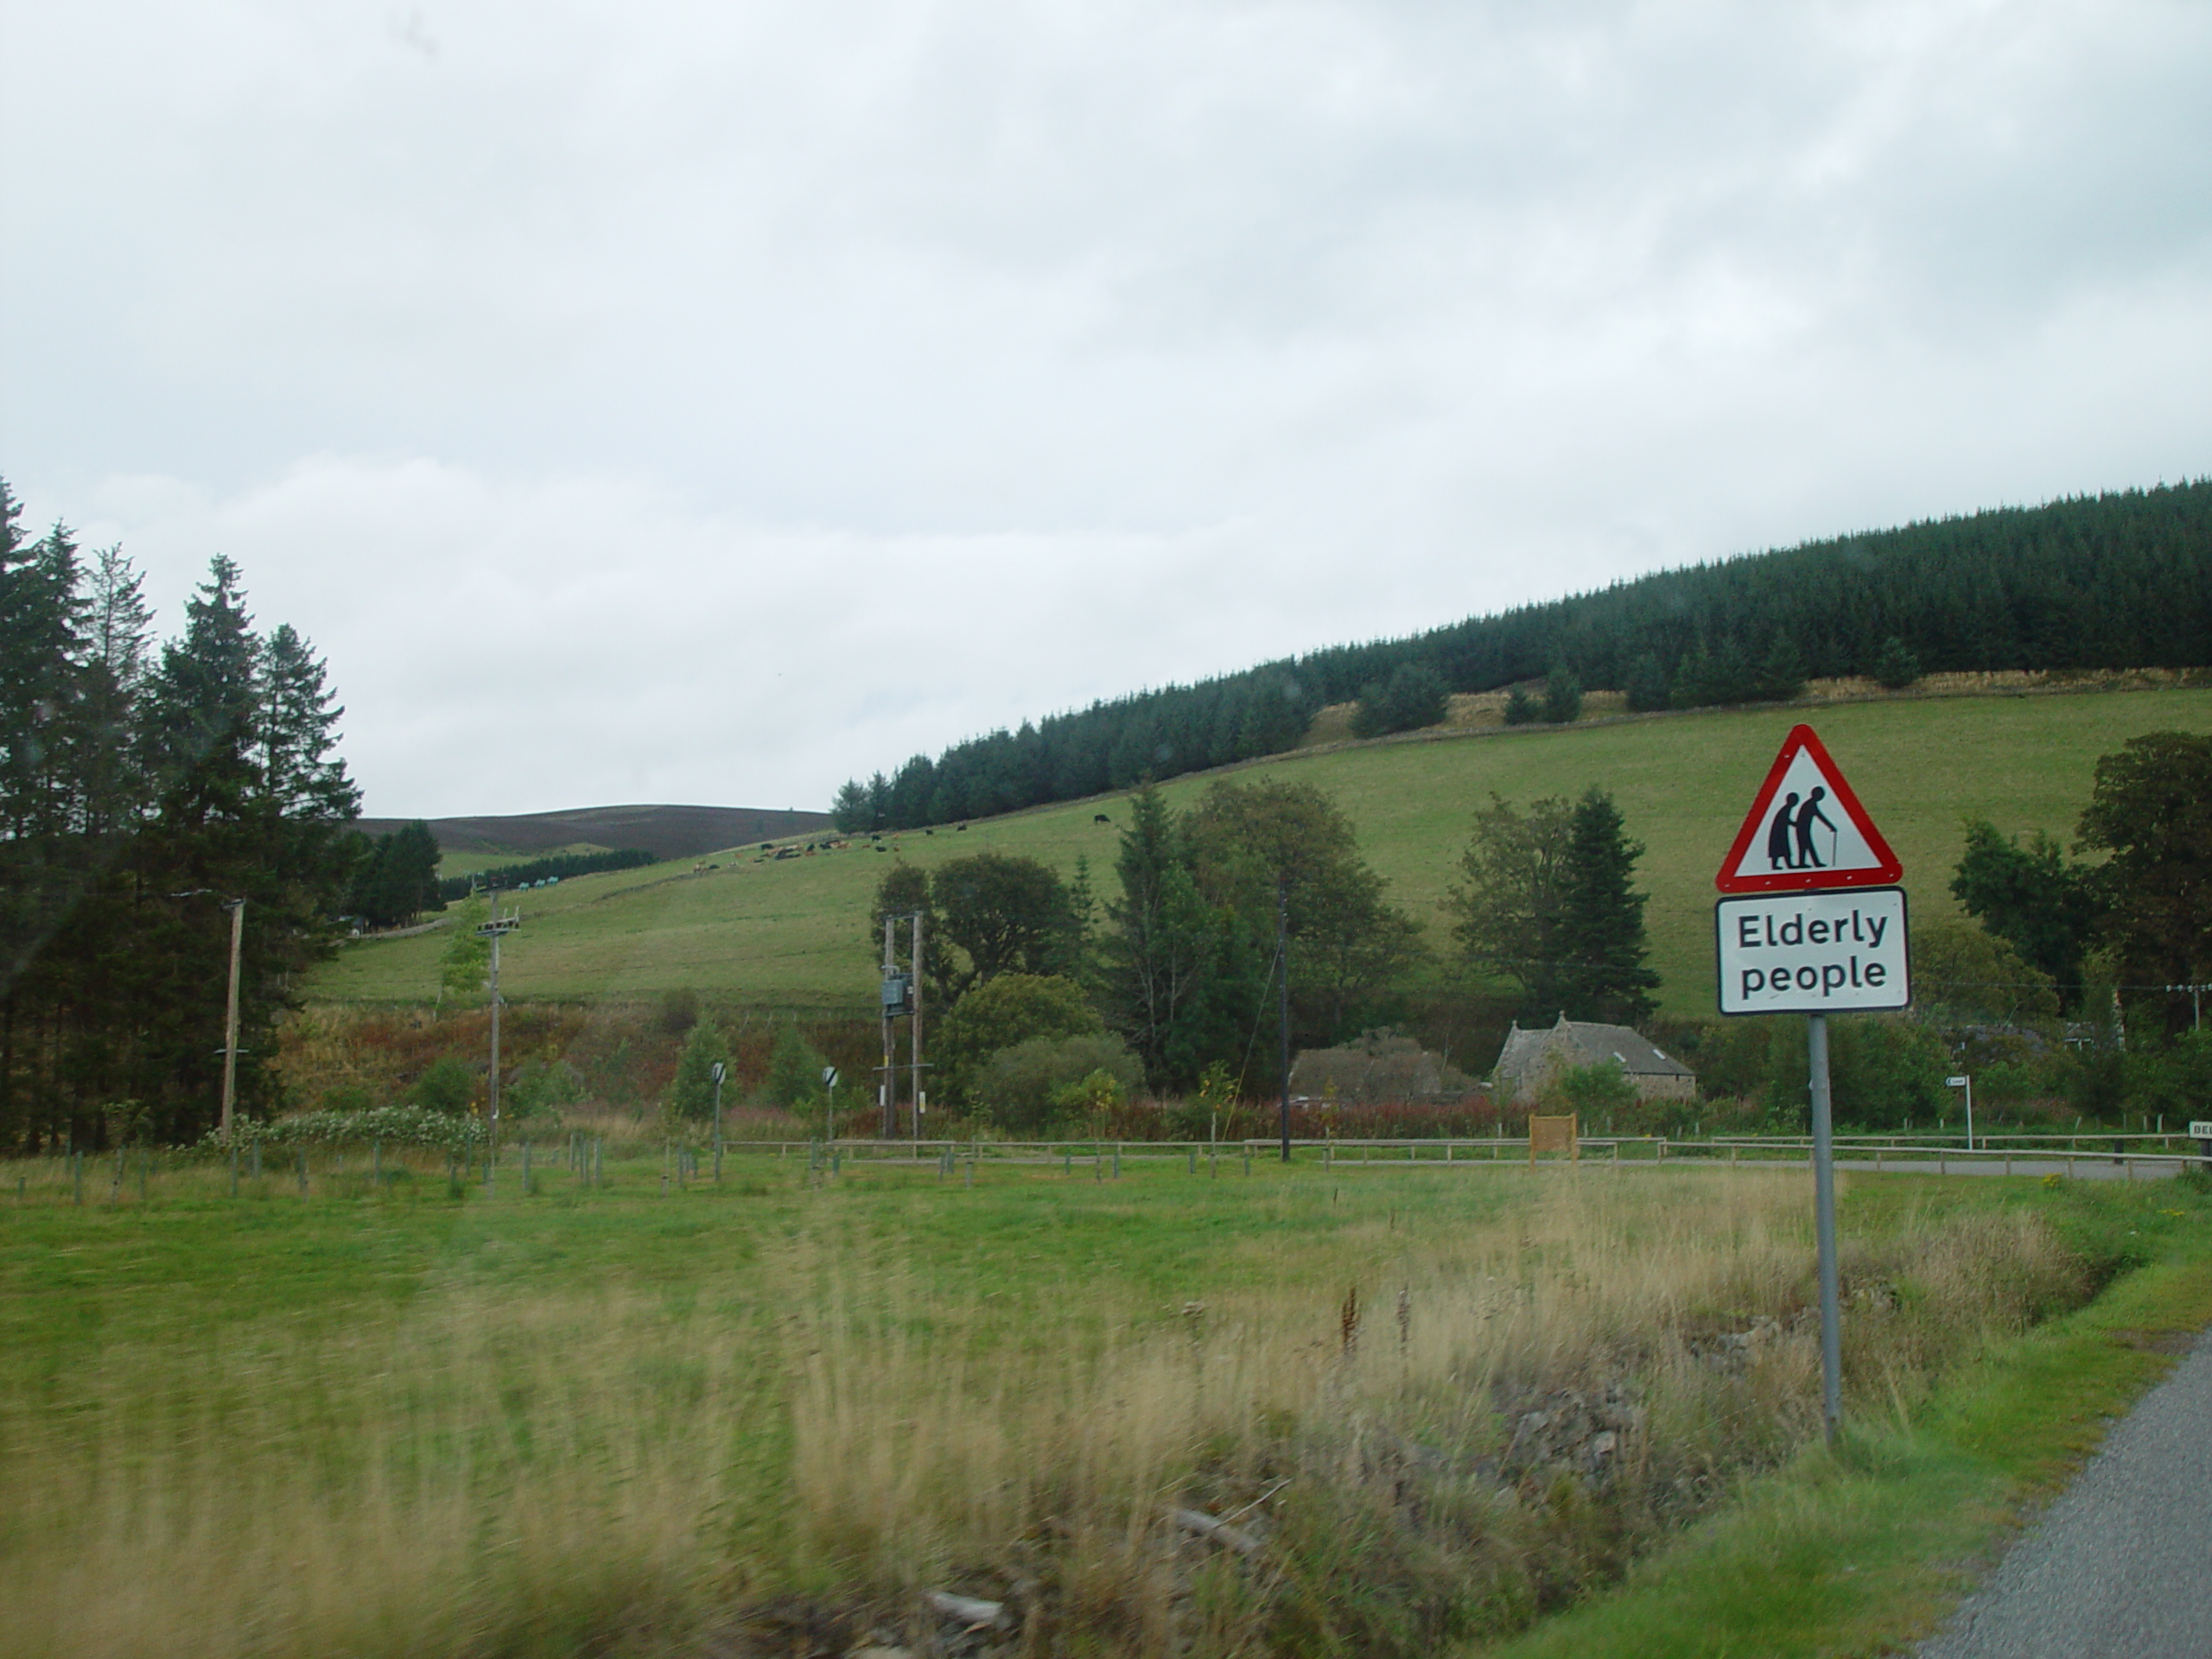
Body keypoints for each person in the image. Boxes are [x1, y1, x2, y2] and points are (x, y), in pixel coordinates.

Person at [1795, 785, 1837, 869]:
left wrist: (1831, 826)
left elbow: (1820, 816)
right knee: (1804, 846)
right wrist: (1831, 826)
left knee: (1807, 846)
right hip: (1802, 829)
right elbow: (1820, 816)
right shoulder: (1810, 805)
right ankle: (1805, 863)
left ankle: (1812, 863)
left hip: (1803, 829)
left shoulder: (1811, 804)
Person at [1766, 792, 1799, 870]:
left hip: (1781, 832)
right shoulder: (1786, 809)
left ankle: (1788, 865)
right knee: (1780, 848)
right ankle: (1778, 865)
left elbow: (1786, 820)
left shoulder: (1786, 809)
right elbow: (1785, 820)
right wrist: (1794, 824)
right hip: (1779, 833)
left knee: (1783, 849)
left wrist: (1794, 824)